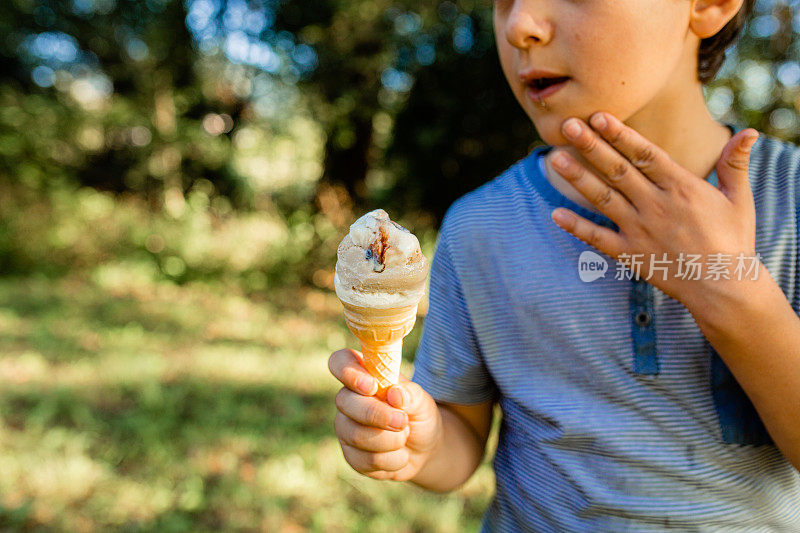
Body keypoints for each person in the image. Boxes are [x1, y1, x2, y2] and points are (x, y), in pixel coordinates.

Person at [330, 0, 800, 530]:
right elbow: (460, 429)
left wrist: (735, 291)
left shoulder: (793, 202)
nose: (521, 25)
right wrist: (418, 443)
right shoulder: (481, 225)